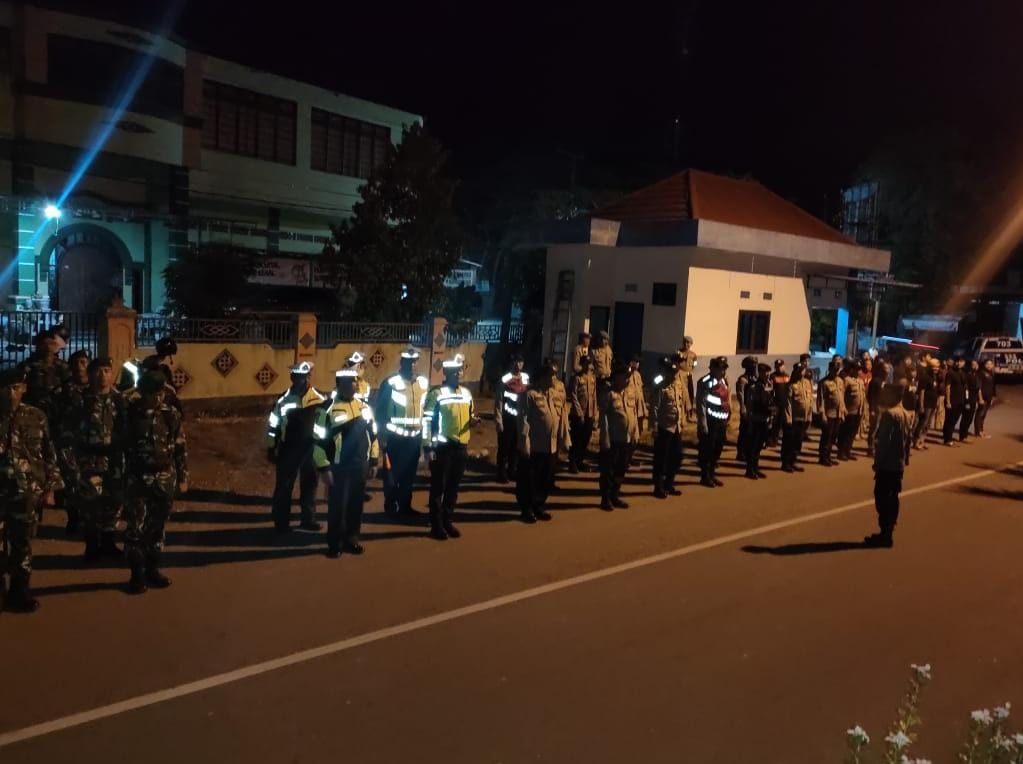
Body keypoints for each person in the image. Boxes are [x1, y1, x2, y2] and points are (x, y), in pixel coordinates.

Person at [0, 367, 60, 613]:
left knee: (22, 543)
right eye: (5, 388)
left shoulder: (36, 416)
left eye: (15, 388)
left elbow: (49, 453)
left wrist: (50, 488)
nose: (10, 394)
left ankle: (19, 590)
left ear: (24, 389)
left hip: (26, 492)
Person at [123, 370, 189, 594]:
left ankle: (152, 569)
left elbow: (180, 447)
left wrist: (183, 477)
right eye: (154, 393)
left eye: (161, 393)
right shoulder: (130, 414)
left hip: (164, 478)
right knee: (136, 528)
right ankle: (136, 574)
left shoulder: (170, 414)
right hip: (138, 478)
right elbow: (120, 447)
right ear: (144, 393)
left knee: (157, 527)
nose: (159, 397)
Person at [66, 357, 129, 561]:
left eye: (107, 371)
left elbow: (128, 430)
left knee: (114, 503)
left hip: (114, 460)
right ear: (91, 374)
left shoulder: (121, 400)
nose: (103, 376)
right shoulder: (80, 400)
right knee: (90, 505)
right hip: (89, 460)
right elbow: (68, 433)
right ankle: (92, 546)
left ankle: (108, 543)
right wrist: (72, 464)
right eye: (98, 371)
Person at [313, 368, 378, 557]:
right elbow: (317, 443)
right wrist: (324, 467)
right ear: (340, 384)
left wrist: (374, 460)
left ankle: (352, 539)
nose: (355, 384)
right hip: (338, 467)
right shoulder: (327, 408)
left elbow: (373, 436)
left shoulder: (364, 407)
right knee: (337, 508)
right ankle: (335, 544)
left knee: (356, 506)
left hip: (360, 465)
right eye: (350, 381)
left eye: (356, 381)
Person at [266, 361, 326, 534]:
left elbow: (325, 425)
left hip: (311, 449)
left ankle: (308, 520)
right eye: (297, 376)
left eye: (304, 377)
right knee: (284, 487)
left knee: (310, 485)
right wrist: (271, 447)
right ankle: (281, 523)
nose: (301, 380)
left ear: (309, 377)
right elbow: (273, 425)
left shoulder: (320, 398)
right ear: (292, 377)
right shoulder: (283, 399)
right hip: (288, 448)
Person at [422, 354, 477, 540]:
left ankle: (447, 520)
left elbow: (470, 414)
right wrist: (427, 447)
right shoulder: (436, 394)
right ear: (446, 373)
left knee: (453, 488)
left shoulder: (466, 393)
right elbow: (426, 421)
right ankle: (436, 525)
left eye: (460, 371)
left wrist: (473, 421)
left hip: (461, 447)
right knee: (438, 487)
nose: (458, 374)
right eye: (455, 371)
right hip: (442, 448)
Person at [374, 348, 429, 516]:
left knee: (409, 475)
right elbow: (379, 412)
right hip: (394, 438)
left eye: (414, 361)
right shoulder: (390, 383)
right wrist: (382, 438)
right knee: (392, 474)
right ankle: (391, 506)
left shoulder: (423, 383)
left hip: (414, 438)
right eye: (408, 362)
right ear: (402, 363)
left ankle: (405, 507)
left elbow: (426, 410)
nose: (412, 365)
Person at [517, 359, 570, 523]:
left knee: (545, 479)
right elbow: (523, 421)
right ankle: (526, 509)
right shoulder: (529, 395)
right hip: (534, 446)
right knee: (529, 480)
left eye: (554, 375)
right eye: (550, 375)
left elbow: (562, 418)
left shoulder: (554, 395)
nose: (553, 378)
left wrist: (564, 439)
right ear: (541, 377)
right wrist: (524, 443)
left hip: (551, 446)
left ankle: (539, 506)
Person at [864, 384, 913, 548]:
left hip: (887, 463)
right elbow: (908, 439)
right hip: (898, 463)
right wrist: (906, 459)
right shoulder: (906, 414)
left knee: (882, 496)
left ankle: (885, 532)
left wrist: (877, 462)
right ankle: (889, 530)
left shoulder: (890, 415)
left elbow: (884, 442)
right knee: (893, 496)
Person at [56, 349, 91, 535]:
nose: (79, 366)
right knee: (72, 481)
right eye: (76, 362)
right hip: (69, 443)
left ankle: (88, 519)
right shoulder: (63, 390)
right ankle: (73, 519)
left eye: (83, 362)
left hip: (91, 444)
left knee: (90, 483)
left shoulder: (96, 388)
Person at [650, 355, 691, 498]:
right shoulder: (661, 387)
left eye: (675, 372)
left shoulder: (678, 385)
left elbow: (681, 405)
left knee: (677, 456)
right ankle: (658, 487)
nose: (673, 375)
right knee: (661, 459)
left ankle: (669, 483)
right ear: (666, 372)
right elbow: (654, 408)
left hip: (676, 427)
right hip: (664, 427)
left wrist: (683, 420)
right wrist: (654, 427)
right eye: (670, 372)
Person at [598, 361, 634, 510]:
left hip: (626, 438)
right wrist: (605, 438)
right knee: (608, 470)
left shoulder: (628, 393)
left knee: (621, 469)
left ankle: (615, 495)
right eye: (625, 377)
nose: (627, 380)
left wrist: (635, 433)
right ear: (617, 377)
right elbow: (603, 418)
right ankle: (605, 498)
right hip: (613, 439)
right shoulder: (608, 394)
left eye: (628, 377)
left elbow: (632, 413)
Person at [18, 329, 71, 429]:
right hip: (33, 413)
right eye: (44, 344)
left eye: (51, 344)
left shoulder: (62, 366)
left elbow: (69, 388)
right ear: (37, 346)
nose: (48, 348)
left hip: (58, 413)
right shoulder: (27, 366)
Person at [696, 356, 731, 488]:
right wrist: (703, 423)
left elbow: (725, 399)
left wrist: (728, 415)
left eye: (724, 369)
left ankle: (712, 473)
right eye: (721, 369)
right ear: (713, 369)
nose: (723, 371)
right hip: (711, 421)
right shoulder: (705, 382)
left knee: (718, 448)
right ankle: (705, 476)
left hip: (721, 421)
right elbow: (701, 404)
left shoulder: (724, 381)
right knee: (708, 449)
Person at [494, 355, 529, 484]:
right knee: (504, 447)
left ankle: (512, 471)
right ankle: (501, 473)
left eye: (520, 362)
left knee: (516, 446)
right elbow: (499, 401)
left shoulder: (525, 378)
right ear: (511, 363)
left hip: (520, 418)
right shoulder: (505, 379)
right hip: (507, 418)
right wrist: (499, 421)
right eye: (516, 362)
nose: (518, 364)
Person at [743, 363, 775, 480]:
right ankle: (750, 470)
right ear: (760, 373)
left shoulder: (769, 385)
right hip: (756, 419)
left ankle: (755, 468)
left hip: (765, 419)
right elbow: (750, 405)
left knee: (759, 446)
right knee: (753, 446)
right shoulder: (754, 387)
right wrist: (749, 421)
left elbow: (771, 401)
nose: (767, 374)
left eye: (768, 372)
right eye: (765, 372)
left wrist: (771, 417)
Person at [567, 355, 598, 473]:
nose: (588, 366)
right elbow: (573, 395)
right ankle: (572, 462)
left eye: (590, 364)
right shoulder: (577, 378)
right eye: (586, 364)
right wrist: (579, 413)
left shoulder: (592, 378)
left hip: (589, 413)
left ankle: (580, 461)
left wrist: (594, 413)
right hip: (578, 414)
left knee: (586, 438)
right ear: (582, 364)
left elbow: (594, 396)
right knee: (576, 439)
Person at [781, 362, 813, 472]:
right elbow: (788, 404)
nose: (801, 373)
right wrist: (788, 419)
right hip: (793, 419)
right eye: (798, 371)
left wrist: (809, 417)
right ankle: (786, 463)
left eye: (802, 371)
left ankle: (793, 461)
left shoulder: (807, 383)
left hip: (804, 418)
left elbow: (810, 400)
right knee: (789, 442)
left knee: (798, 442)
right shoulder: (791, 385)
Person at [817, 361, 845, 466]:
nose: (836, 372)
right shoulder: (824, 382)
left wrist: (842, 412)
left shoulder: (840, 381)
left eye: (837, 370)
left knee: (833, 436)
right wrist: (822, 414)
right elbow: (821, 400)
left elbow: (841, 397)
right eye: (834, 370)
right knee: (826, 436)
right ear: (830, 369)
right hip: (829, 413)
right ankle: (823, 457)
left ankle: (828, 456)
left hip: (838, 414)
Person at [837, 359, 865, 461]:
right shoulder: (847, 380)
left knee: (852, 433)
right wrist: (843, 408)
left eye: (859, 369)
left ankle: (848, 451)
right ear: (852, 370)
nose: (859, 371)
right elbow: (841, 395)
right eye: (857, 369)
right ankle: (841, 452)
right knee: (845, 432)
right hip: (849, 411)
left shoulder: (860, 381)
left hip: (858, 411)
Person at [624, 353, 647, 466]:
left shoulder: (638, 375)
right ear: (631, 362)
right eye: (636, 361)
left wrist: (644, 409)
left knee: (636, 437)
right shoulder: (625, 375)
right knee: (628, 436)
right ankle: (624, 459)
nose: (638, 364)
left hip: (639, 410)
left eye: (638, 362)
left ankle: (629, 457)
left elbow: (640, 392)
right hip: (629, 409)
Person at [733, 356, 757, 462]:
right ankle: (741, 452)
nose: (754, 367)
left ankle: (748, 452)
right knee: (744, 431)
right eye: (752, 365)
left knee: (752, 432)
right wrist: (743, 408)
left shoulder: (755, 378)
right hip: (747, 409)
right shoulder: (743, 379)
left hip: (754, 409)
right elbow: (740, 395)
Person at [913, 357, 940, 450]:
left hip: (932, 404)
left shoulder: (934, 377)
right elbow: (922, 392)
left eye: (937, 367)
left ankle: (922, 441)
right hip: (926, 404)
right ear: (929, 367)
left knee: (927, 425)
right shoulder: (925, 377)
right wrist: (921, 405)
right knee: (922, 423)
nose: (936, 369)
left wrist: (937, 403)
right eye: (934, 367)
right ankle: (916, 441)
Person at [942, 356, 966, 446]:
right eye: (957, 361)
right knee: (950, 420)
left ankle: (948, 437)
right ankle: (947, 439)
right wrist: (948, 401)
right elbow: (947, 387)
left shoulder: (962, 373)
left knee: (954, 420)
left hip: (960, 400)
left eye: (961, 361)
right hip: (952, 401)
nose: (959, 363)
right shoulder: (951, 373)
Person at [865, 359, 887, 456]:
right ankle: (870, 447)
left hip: (883, 407)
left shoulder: (883, 381)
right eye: (885, 368)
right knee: (874, 428)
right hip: (876, 408)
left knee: (880, 429)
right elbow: (871, 396)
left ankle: (877, 446)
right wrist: (872, 409)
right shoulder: (875, 381)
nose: (887, 370)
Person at [767, 359, 789, 448]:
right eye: (777, 366)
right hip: (776, 404)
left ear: (783, 366)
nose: (779, 368)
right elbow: (770, 390)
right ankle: (772, 440)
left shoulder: (787, 376)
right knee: (774, 423)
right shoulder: (772, 376)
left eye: (780, 366)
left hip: (785, 403)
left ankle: (779, 440)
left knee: (782, 423)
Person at [959, 359, 981, 443]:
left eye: (976, 364)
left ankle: (965, 435)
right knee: (966, 418)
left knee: (970, 418)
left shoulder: (976, 374)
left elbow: (978, 388)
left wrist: (978, 399)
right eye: (973, 364)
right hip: (968, 399)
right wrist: (967, 401)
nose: (975, 366)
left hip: (974, 399)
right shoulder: (968, 375)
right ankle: (962, 436)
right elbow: (966, 389)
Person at [973, 358, 996, 438]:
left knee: (983, 415)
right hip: (983, 398)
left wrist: (993, 397)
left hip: (989, 398)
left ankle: (981, 430)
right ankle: (978, 432)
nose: (989, 365)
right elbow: (978, 387)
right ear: (984, 365)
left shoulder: (991, 373)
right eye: (987, 364)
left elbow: (992, 386)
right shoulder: (981, 373)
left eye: (990, 364)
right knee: (980, 414)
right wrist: (980, 398)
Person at [677, 335, 698, 405]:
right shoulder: (679, 352)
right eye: (686, 342)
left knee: (690, 391)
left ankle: (690, 406)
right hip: (680, 376)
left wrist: (692, 369)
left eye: (689, 343)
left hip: (688, 375)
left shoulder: (693, 354)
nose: (687, 344)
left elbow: (695, 363)